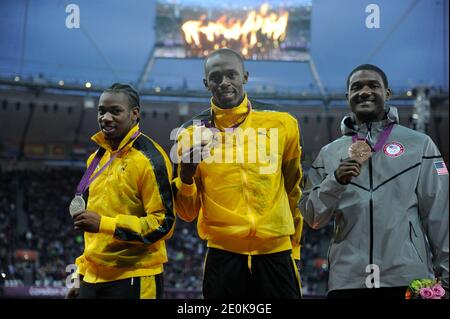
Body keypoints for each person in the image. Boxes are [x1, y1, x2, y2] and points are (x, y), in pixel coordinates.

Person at [300, 64, 449, 299]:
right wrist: (335, 181)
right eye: (356, 87)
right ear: (348, 96)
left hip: (407, 279)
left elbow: (441, 216)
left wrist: (447, 280)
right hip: (347, 281)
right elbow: (313, 218)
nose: (365, 91)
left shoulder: (420, 145)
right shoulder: (328, 154)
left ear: (387, 94)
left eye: (373, 85)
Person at [172, 48, 304, 299]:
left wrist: (294, 249)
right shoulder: (189, 134)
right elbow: (187, 213)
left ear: (245, 76)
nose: (224, 83)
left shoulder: (282, 122)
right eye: (216, 77)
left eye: (231, 74)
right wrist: (186, 176)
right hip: (223, 256)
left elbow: (293, 189)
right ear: (205, 83)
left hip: (276, 252)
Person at [66, 83, 175, 299]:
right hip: (92, 279)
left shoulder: (150, 159)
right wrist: (80, 273)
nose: (105, 118)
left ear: (135, 114)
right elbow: (91, 231)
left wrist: (105, 224)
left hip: (135, 277)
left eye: (115, 111)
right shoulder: (95, 159)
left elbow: (163, 224)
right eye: (101, 111)